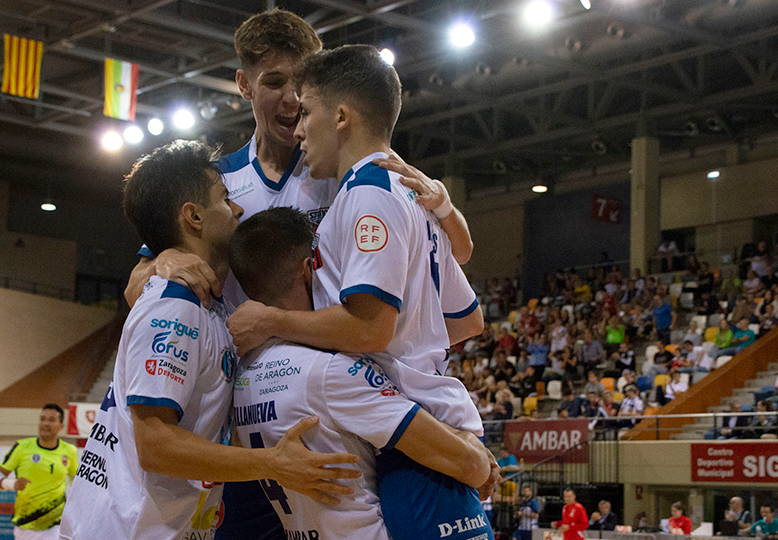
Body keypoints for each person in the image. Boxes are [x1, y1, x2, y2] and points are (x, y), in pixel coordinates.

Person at [226, 44, 498, 540]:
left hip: (415, 444)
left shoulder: (367, 193)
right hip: (426, 431)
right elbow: (466, 321)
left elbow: (372, 329)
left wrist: (270, 320)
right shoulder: (408, 194)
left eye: (307, 111)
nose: (300, 128)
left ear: (342, 117)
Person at [59, 141, 362, 540]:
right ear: (194, 216)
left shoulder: (208, 308)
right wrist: (273, 463)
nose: (237, 209)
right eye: (225, 199)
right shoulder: (174, 306)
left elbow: (199, 429)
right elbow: (157, 446)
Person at [227, 207, 493, 540]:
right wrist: (473, 444)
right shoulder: (330, 372)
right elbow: (470, 465)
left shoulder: (242, 377)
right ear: (310, 269)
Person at [0, 404, 78, 540]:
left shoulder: (70, 451)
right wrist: (12, 484)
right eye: (42, 419)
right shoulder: (22, 447)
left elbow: (74, 480)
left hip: (56, 525)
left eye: (51, 420)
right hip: (26, 526)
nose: (45, 423)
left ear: (61, 426)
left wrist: (73, 504)